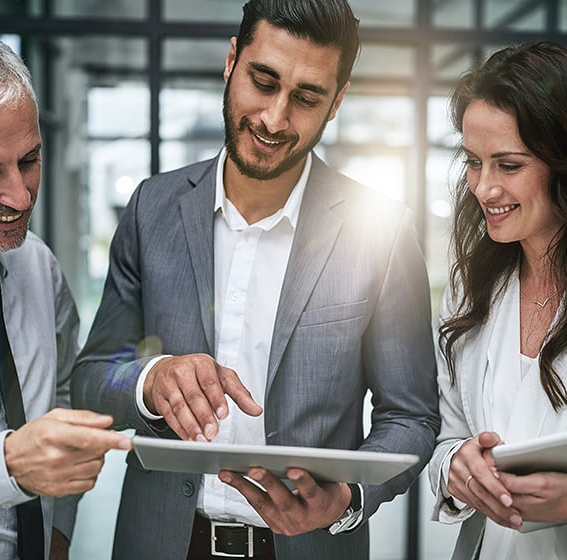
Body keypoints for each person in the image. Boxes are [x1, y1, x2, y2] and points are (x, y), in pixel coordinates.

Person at [72, 1, 439, 558]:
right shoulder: (152, 207)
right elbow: (94, 378)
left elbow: (410, 416)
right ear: (230, 62)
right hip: (162, 542)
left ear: (336, 102)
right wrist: (149, 381)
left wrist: (346, 497)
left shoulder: (383, 233)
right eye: (262, 81)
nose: (273, 118)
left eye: (307, 97)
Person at [0, 27, 132, 559]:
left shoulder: (35, 263)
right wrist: (7, 465)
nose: (19, 195)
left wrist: (57, 534)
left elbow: (60, 392)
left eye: (29, 160)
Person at [429, 40, 567, 559]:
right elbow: (447, 434)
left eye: (507, 165)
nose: (483, 188)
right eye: (473, 162)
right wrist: (456, 466)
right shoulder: (473, 285)